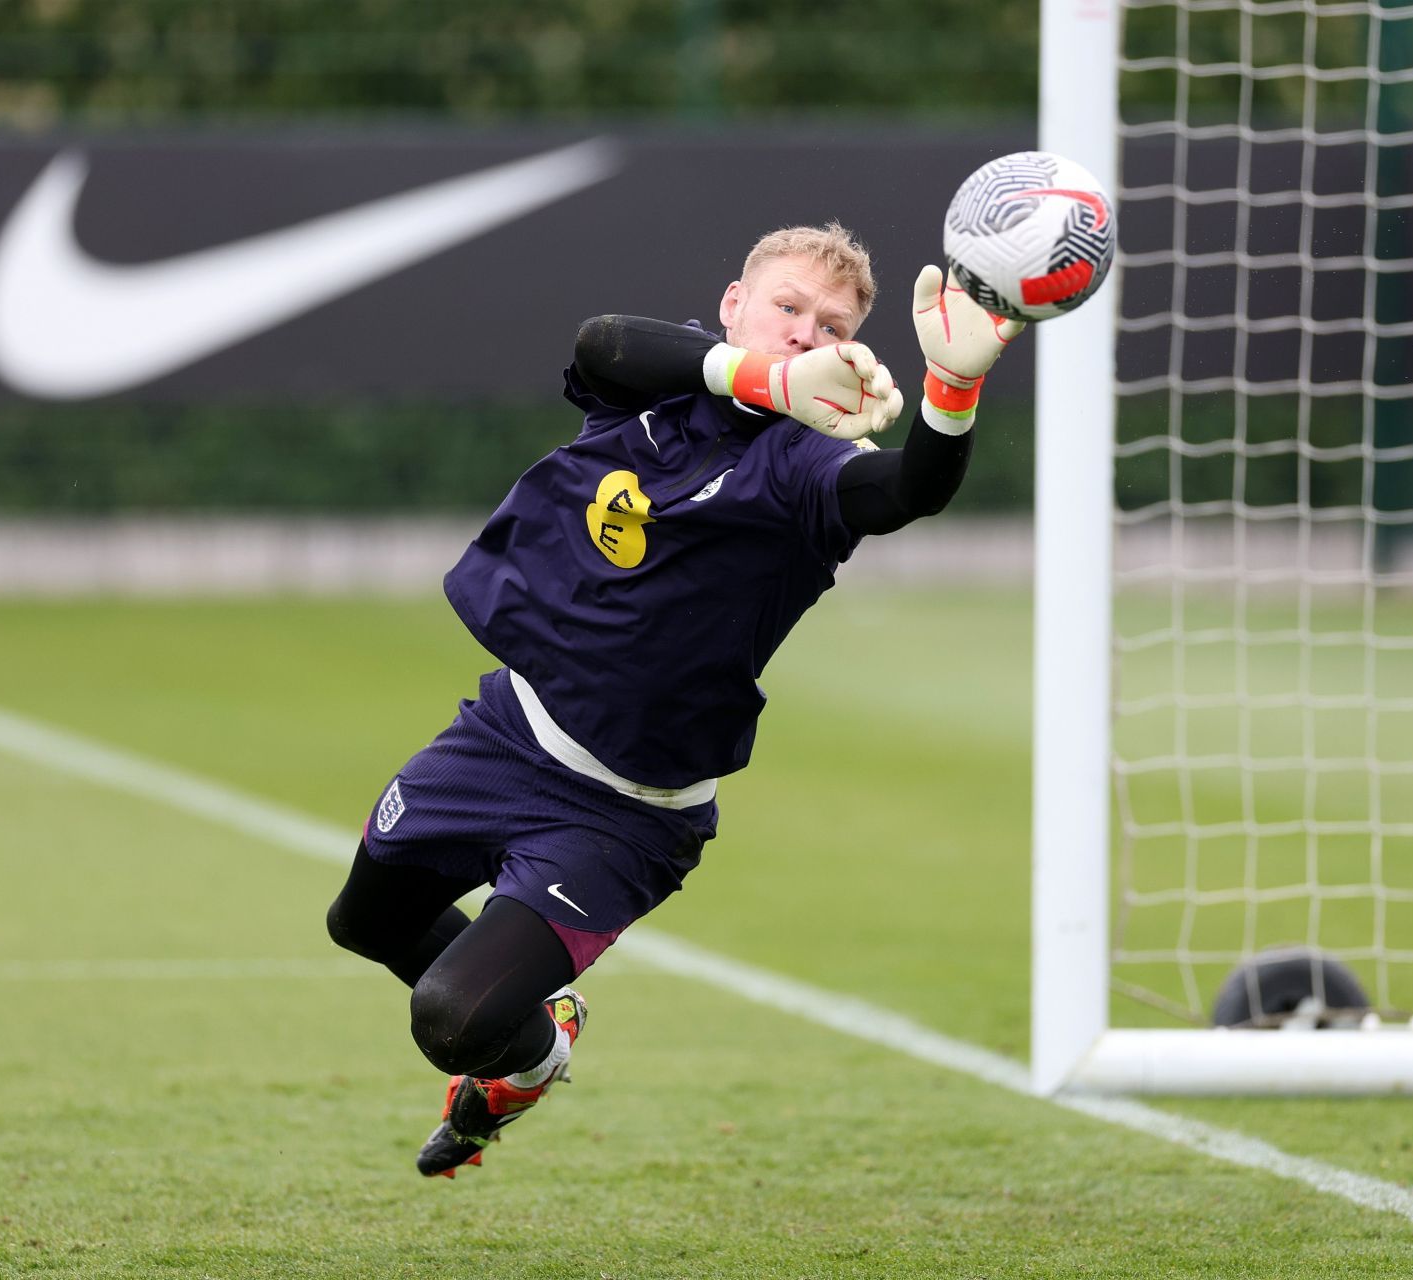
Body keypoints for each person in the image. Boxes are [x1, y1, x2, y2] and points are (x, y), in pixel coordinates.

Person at [325, 222, 1022, 1178]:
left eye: (831, 326)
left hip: (623, 814)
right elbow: (599, 340)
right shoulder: (664, 377)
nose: (805, 333)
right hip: (508, 731)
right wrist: (760, 377)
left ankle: (534, 1053)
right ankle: (538, 1018)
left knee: (452, 1019)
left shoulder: (804, 466)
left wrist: (953, 389)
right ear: (735, 305)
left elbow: (909, 488)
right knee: (361, 921)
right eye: (787, 306)